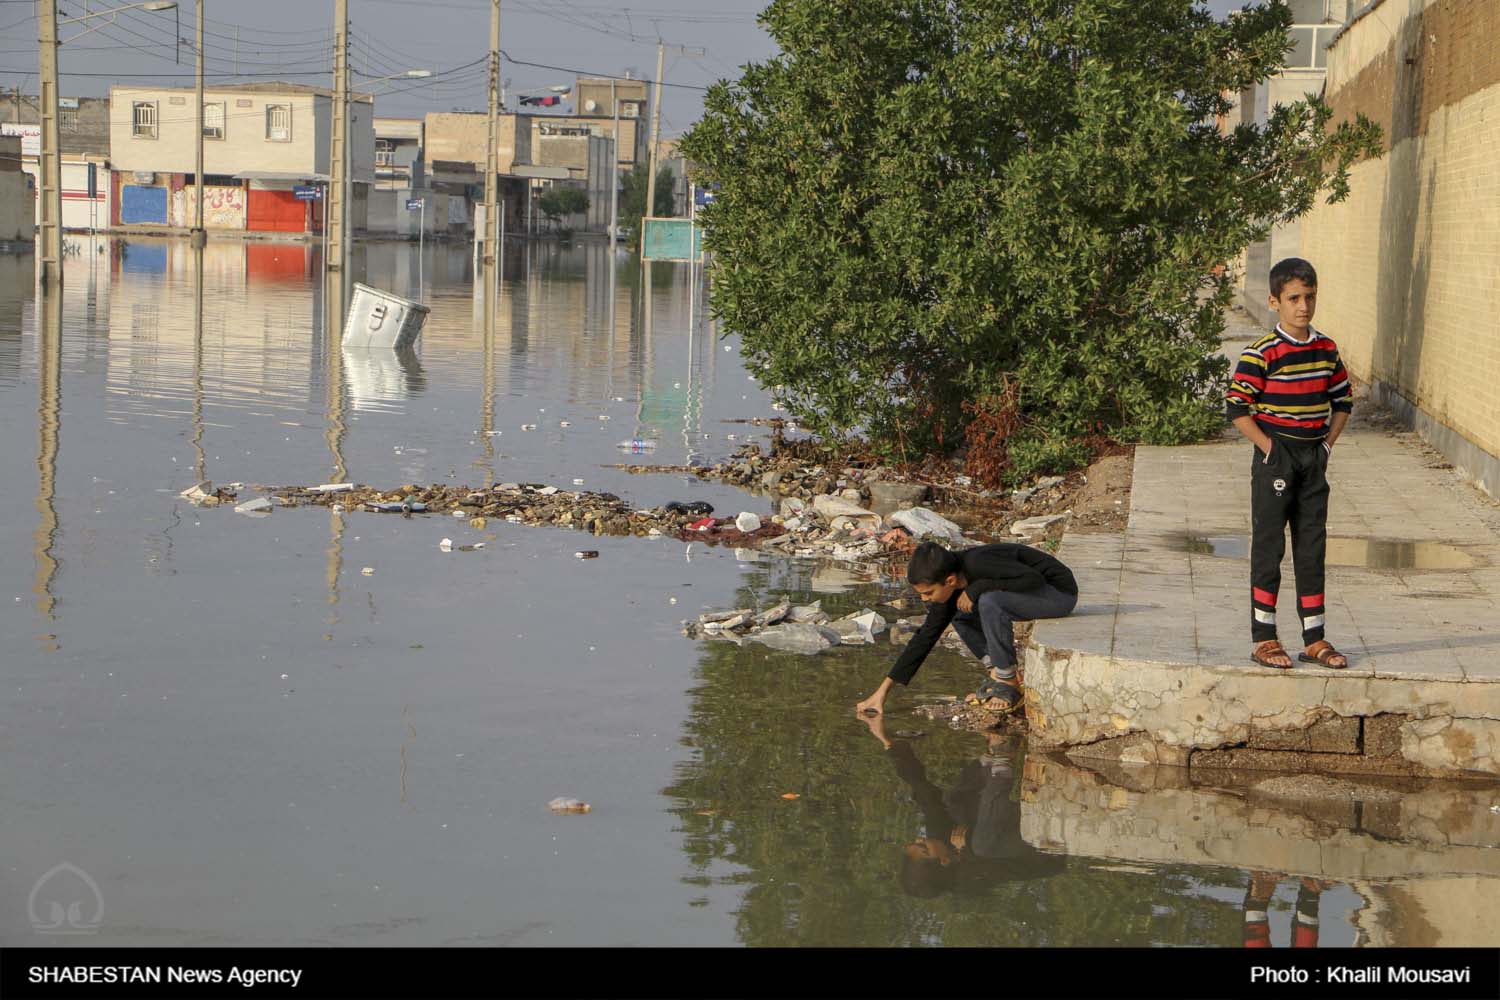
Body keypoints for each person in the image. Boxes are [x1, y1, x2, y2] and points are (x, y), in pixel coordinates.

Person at [1225, 257, 1353, 670]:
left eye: (1309, 297)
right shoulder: (1261, 353)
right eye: (1294, 298)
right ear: (1275, 301)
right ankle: (1264, 637)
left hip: (1313, 458)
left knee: (1311, 547)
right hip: (1275, 460)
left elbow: (1343, 401)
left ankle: (1314, 639)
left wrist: (1327, 447)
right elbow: (1237, 407)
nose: (1303, 306)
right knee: (1269, 547)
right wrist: (1269, 449)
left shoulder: (1326, 349)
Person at [855, 540, 1078, 716]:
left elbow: (1034, 579)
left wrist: (978, 588)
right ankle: (996, 670)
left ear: (950, 580)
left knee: (990, 601)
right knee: (961, 615)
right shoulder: (950, 589)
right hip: (1035, 594)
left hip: (1058, 594)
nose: (924, 599)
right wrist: (882, 692)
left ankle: (1007, 680)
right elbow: (925, 638)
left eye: (929, 592)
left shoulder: (978, 563)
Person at [860, 715, 1066, 896]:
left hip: (1009, 827)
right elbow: (991, 854)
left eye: (915, 842)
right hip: (1044, 850)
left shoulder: (939, 841)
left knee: (954, 802)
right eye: (923, 846)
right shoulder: (971, 876)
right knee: (983, 845)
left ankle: (992, 756)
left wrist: (889, 743)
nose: (920, 837)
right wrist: (967, 846)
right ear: (944, 861)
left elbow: (927, 796)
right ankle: (1003, 754)